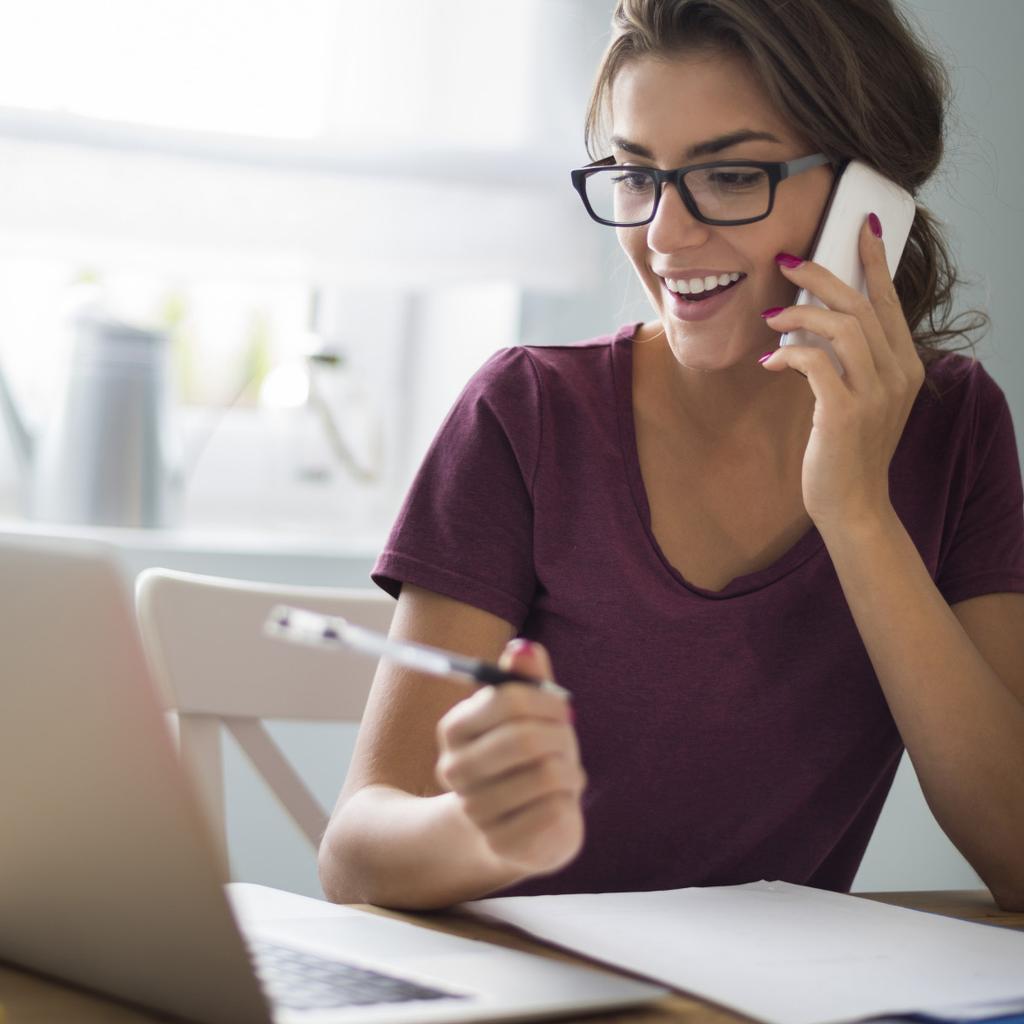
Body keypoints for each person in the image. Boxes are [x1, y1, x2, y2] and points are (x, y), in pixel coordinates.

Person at [318, 0, 1024, 911]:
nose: (664, 236)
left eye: (730, 177)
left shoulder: (952, 427)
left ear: (870, 203)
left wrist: (855, 511)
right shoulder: (529, 412)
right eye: (634, 175)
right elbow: (354, 851)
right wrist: (481, 830)